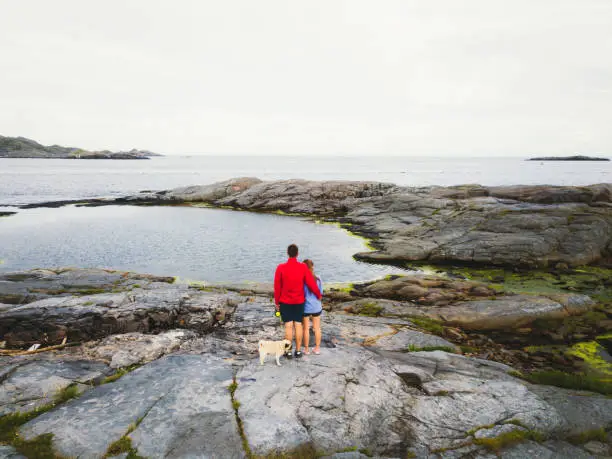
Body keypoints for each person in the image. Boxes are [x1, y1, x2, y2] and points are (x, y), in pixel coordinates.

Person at [274, 244, 321, 358]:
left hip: (285, 301)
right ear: (297, 254)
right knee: (298, 325)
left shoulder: (281, 267)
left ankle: (289, 351)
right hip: (299, 302)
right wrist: (318, 295)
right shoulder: (302, 267)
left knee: (288, 326)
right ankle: (298, 351)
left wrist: (277, 302)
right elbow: (311, 283)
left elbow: (277, 286)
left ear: (287, 253)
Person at [302, 259, 323, 355]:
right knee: (317, 328)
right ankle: (317, 348)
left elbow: (301, 295)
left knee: (306, 328)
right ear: (312, 267)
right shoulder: (318, 278)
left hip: (306, 307)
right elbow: (321, 293)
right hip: (316, 307)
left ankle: (306, 350)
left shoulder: (302, 280)